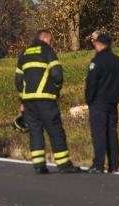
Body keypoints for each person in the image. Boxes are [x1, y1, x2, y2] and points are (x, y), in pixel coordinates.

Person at [15, 28, 78, 174]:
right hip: (46, 99)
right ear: (45, 39)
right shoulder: (47, 51)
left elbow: (18, 80)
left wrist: (22, 99)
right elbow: (57, 74)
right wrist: (56, 88)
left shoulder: (24, 54)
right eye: (51, 41)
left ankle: (39, 165)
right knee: (55, 130)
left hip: (29, 101)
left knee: (35, 131)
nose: (51, 43)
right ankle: (63, 164)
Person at [84, 31, 119, 173]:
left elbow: (91, 83)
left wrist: (89, 100)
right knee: (112, 133)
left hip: (98, 102)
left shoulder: (97, 61)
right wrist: (116, 96)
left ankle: (99, 164)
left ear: (99, 45)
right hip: (112, 102)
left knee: (99, 133)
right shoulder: (118, 61)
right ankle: (114, 164)